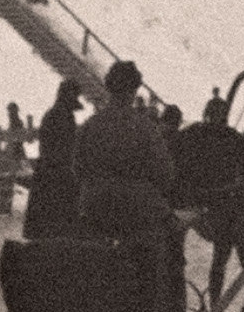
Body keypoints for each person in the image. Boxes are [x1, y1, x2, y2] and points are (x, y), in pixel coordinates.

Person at [74, 59, 177, 247]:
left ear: (109, 88)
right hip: (134, 212)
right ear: (134, 90)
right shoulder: (145, 127)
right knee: (172, 238)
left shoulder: (90, 126)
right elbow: (164, 174)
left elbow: (78, 169)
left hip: (94, 209)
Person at [26, 79, 86, 237]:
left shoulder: (52, 114)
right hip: (59, 173)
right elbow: (66, 148)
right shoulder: (64, 116)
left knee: (46, 225)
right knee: (59, 224)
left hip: (47, 172)